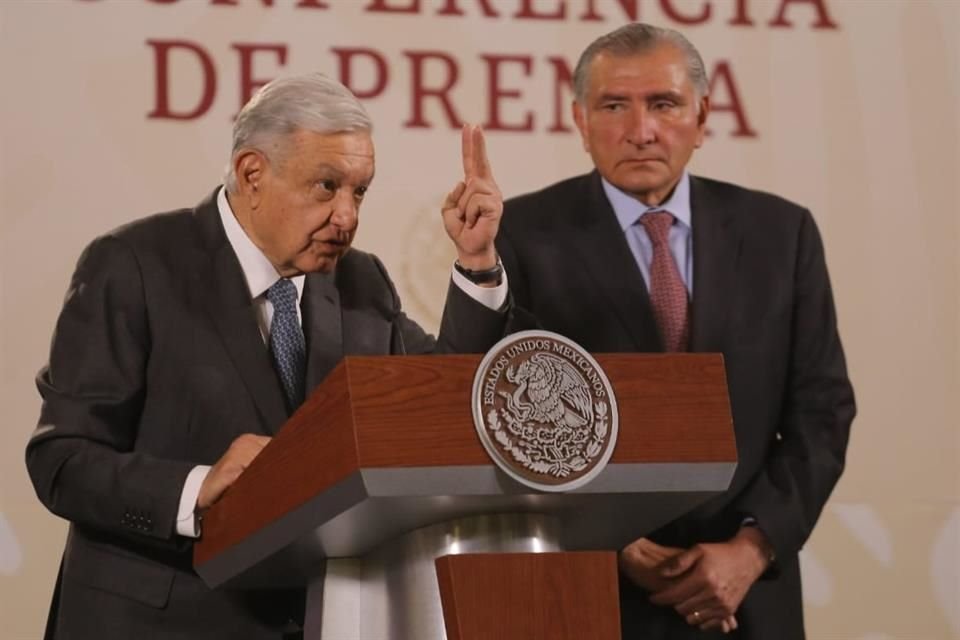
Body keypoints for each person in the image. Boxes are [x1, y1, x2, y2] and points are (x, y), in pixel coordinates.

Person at [26, 73, 512, 639]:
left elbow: (445, 403)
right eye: (327, 187)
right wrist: (196, 488)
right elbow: (62, 460)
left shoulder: (361, 282)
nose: (348, 217)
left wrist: (477, 263)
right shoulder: (134, 265)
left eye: (359, 192)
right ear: (252, 173)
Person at [496, 23, 855, 639]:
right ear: (580, 119)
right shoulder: (521, 235)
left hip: (747, 600)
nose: (641, 131)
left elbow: (822, 411)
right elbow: (505, 419)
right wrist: (612, 540)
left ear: (703, 116)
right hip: (592, 593)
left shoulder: (781, 233)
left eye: (663, 104)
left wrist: (752, 548)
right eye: (614, 106)